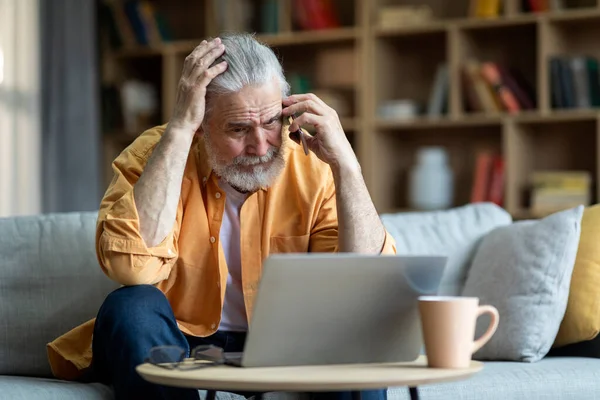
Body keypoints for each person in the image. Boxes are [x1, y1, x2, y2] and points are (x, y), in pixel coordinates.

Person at [46, 33, 397, 400]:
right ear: (201, 123)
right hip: (176, 342)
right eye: (239, 129)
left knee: (360, 328)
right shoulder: (152, 155)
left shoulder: (312, 166)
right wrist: (180, 130)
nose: (261, 146)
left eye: (271, 122)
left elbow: (363, 285)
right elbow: (130, 268)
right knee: (131, 306)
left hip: (285, 350)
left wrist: (348, 167)